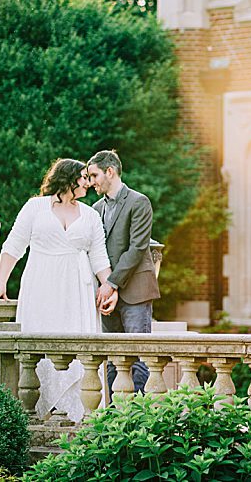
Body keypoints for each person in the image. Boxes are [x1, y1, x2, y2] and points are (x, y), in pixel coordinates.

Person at [0, 158, 117, 332]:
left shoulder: (91, 216)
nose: (89, 183)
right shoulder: (35, 207)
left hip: (77, 287)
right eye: (84, 177)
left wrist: (111, 289)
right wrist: (0, 283)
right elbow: (13, 246)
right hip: (41, 282)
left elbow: (99, 258)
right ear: (68, 178)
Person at [86, 150, 159, 392]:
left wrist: (112, 283)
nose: (91, 181)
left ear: (110, 171)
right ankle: (114, 419)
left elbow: (137, 248)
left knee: (139, 358)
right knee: (112, 359)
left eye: (94, 175)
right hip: (108, 296)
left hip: (135, 292)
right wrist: (106, 287)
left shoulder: (139, 202)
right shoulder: (96, 208)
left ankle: (137, 419)